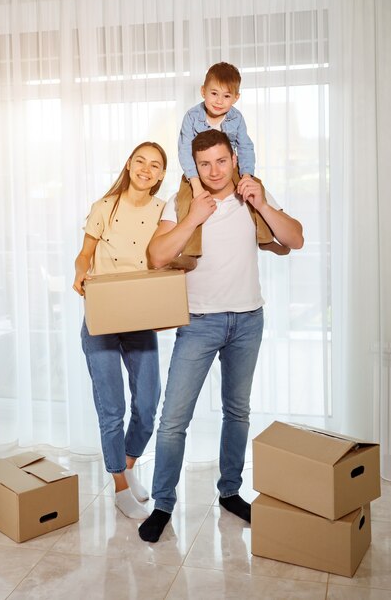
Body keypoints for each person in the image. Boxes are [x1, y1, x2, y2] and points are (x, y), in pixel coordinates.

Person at [138, 130, 303, 542]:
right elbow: (157, 256)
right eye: (204, 164)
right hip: (198, 323)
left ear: (234, 159)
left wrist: (262, 203)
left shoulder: (254, 195)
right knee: (174, 419)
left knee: (238, 411)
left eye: (221, 161)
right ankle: (162, 503)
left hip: (248, 320)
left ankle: (230, 491)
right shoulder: (183, 202)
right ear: (195, 166)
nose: (214, 171)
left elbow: (295, 238)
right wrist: (194, 216)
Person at [73, 141, 167, 520]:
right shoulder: (105, 207)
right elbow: (84, 253)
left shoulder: (164, 212)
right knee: (111, 408)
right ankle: (120, 485)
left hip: (139, 318)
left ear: (162, 175)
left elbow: (164, 257)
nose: (146, 169)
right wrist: (80, 271)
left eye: (155, 165)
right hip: (101, 319)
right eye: (140, 161)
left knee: (147, 403)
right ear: (129, 164)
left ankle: (127, 463)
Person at [176, 61, 289, 260]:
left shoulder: (236, 119)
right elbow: (185, 149)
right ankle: (191, 252)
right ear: (203, 91)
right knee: (187, 200)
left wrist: (246, 176)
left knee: (254, 191)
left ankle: (265, 238)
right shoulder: (192, 117)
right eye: (214, 93)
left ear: (236, 98)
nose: (219, 101)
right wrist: (195, 184)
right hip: (197, 171)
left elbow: (245, 147)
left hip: (229, 168)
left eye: (226, 96)